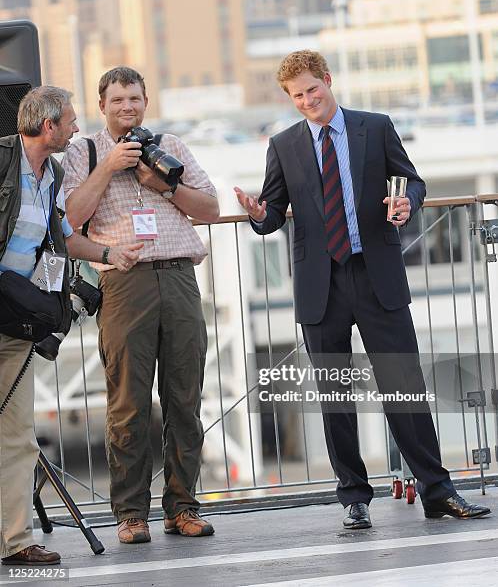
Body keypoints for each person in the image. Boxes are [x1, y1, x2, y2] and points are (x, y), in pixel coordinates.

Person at [235, 50, 490, 529]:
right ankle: (354, 498)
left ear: (328, 81)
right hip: (320, 284)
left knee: (405, 389)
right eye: (298, 95)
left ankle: (438, 492)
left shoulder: (374, 127)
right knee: (335, 396)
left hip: (376, 276)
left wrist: (405, 205)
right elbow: (272, 216)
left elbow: (413, 182)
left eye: (314, 89)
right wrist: (255, 212)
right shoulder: (284, 145)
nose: (308, 100)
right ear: (289, 99)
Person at [62, 67, 219, 544]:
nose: (127, 107)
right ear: (102, 105)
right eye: (117, 100)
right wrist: (109, 166)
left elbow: (209, 209)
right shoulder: (82, 151)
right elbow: (68, 219)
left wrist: (164, 186)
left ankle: (183, 507)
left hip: (178, 277)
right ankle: (130, 514)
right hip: (123, 283)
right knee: (128, 403)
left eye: (134, 98)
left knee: (185, 399)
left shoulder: (170, 143)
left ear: (146, 100)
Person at [0, 86, 142, 566]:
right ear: (48, 127)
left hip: (17, 323)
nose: (77, 128)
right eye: (71, 122)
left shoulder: (53, 172)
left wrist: (108, 255)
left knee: (17, 435)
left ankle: (15, 543)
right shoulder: (2, 160)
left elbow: (61, 237)